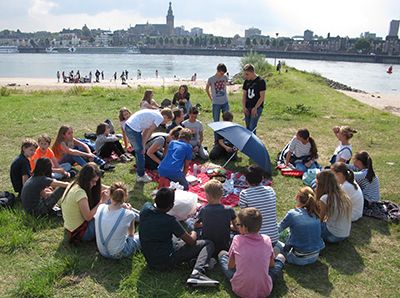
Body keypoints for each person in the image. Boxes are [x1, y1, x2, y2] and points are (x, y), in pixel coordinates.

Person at [139, 188, 219, 287]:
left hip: (150, 258)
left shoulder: (145, 208)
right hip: (166, 260)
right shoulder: (170, 221)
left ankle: (194, 260)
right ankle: (197, 273)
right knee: (208, 243)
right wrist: (194, 231)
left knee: (177, 239)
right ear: (171, 206)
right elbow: (191, 242)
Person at [218, 208, 285, 298]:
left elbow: (230, 266)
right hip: (264, 290)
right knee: (281, 257)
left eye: (238, 224)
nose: (237, 226)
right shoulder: (267, 240)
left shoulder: (237, 239)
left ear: (245, 227)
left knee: (222, 254)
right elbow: (271, 265)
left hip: (240, 289)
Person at [60, 163, 109, 243]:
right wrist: (102, 201)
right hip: (81, 232)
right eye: (93, 181)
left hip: (70, 228)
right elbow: (88, 217)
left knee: (110, 203)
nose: (95, 184)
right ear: (86, 179)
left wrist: (112, 189)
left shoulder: (73, 184)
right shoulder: (80, 193)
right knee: (109, 209)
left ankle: (132, 215)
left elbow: (101, 187)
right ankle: (131, 216)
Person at [277, 187, 325, 266]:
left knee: (275, 241)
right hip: (315, 256)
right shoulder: (316, 213)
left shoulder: (292, 214)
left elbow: (278, 229)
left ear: (298, 197)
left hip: (298, 258)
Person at [124, 108, 174, 182]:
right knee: (140, 152)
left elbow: (147, 130)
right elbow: (150, 131)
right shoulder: (160, 117)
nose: (165, 123)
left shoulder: (155, 114)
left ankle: (140, 172)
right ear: (165, 117)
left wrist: (143, 144)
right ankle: (141, 175)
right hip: (133, 128)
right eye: (167, 121)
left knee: (140, 150)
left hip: (129, 125)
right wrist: (143, 145)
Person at [94, 182, 140, 259]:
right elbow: (131, 235)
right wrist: (129, 212)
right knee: (141, 237)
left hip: (102, 250)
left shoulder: (100, 207)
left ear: (110, 195)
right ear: (125, 197)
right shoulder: (129, 214)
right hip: (117, 253)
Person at [239, 165, 279, 245]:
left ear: (246, 180)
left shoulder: (245, 194)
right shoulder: (270, 190)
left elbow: (244, 217)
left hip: (256, 238)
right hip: (274, 236)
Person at [195, 180, 237, 255]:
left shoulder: (204, 210)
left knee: (191, 223)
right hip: (224, 245)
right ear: (221, 195)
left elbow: (196, 225)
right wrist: (226, 225)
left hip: (207, 244)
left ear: (207, 196)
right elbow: (236, 227)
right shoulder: (229, 210)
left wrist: (207, 224)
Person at [315, 170, 352, 243]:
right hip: (345, 234)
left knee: (308, 225)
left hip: (332, 235)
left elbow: (320, 219)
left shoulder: (325, 198)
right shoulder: (343, 195)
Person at [242, 63, 266, 134]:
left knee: (252, 127)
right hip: (247, 107)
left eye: (247, 74)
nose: (245, 76)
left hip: (256, 107)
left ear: (252, 72)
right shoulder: (246, 81)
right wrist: (244, 107)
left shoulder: (261, 81)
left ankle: (252, 144)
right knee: (247, 127)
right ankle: (248, 143)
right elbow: (244, 95)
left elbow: (262, 97)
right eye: (245, 74)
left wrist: (255, 108)